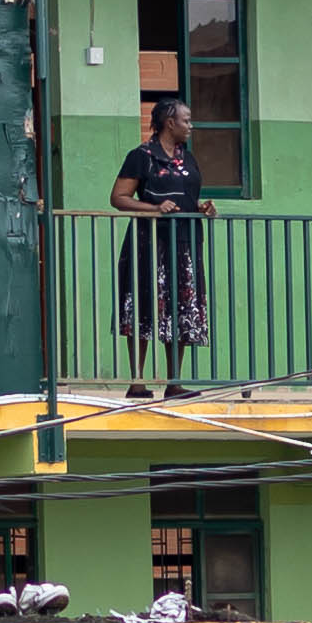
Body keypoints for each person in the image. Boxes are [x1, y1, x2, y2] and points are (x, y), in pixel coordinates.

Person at [108, 93, 214, 396]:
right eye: (186, 120)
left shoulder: (187, 158)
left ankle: (174, 382)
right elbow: (118, 198)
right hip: (149, 244)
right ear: (170, 123)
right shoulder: (141, 156)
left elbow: (188, 196)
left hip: (185, 242)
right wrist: (154, 208)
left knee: (180, 307)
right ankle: (137, 381)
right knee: (143, 304)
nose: (190, 126)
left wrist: (203, 208)